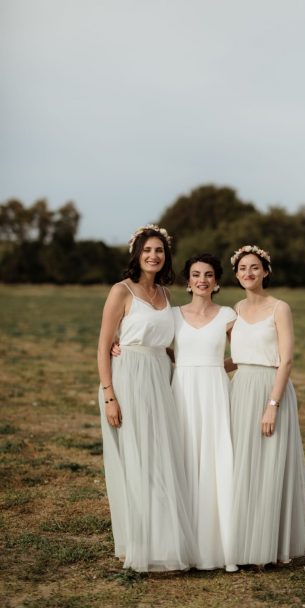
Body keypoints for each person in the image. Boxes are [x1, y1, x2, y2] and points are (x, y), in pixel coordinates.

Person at [97, 224, 196, 572]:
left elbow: (167, 344)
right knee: (136, 459)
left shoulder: (167, 296)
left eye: (159, 251)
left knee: (160, 457)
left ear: (165, 256)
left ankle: (162, 539)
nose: (153, 256)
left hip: (158, 378)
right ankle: (135, 542)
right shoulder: (121, 291)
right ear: (137, 254)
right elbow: (102, 346)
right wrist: (110, 395)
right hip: (127, 379)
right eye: (147, 250)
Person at [228, 245, 305, 566]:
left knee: (270, 463)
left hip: (272, 389)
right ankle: (244, 540)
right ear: (236, 275)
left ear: (266, 272)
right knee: (243, 464)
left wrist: (272, 404)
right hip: (240, 388)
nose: (248, 273)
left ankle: (270, 545)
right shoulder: (235, 310)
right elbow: (237, 357)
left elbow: (286, 361)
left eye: (254, 267)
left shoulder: (279, 308)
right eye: (243, 268)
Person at [171, 253, 238, 572]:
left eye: (208, 274)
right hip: (182, 391)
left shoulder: (228, 315)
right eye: (196, 274)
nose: (202, 279)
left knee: (215, 460)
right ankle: (182, 542)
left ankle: (219, 544)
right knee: (183, 457)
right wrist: (117, 346)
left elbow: (244, 351)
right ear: (187, 281)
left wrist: (218, 367)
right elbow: (159, 349)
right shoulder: (172, 315)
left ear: (216, 281)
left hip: (214, 391)